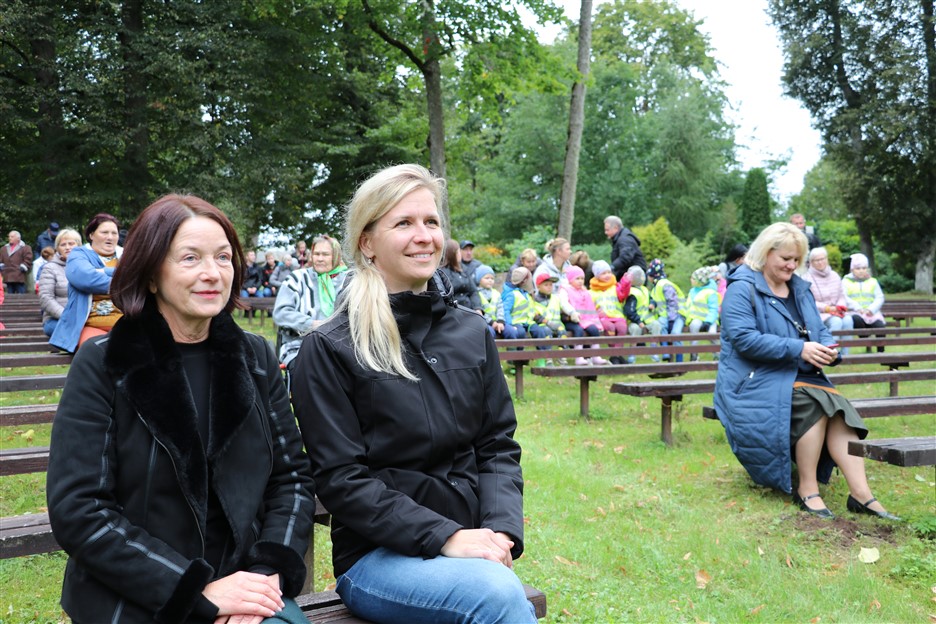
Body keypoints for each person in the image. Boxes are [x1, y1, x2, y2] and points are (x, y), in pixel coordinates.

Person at [46, 194, 317, 624]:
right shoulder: (103, 362)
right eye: (190, 258)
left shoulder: (255, 357)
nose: (212, 273)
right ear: (152, 275)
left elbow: (292, 479)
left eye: (223, 257)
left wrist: (263, 576)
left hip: (247, 587)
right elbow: (80, 510)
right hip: (137, 598)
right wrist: (196, 592)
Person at [290, 164, 535, 624]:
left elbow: (497, 447)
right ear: (367, 242)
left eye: (431, 221)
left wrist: (501, 531)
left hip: (471, 545)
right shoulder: (331, 347)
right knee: (498, 597)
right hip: (377, 557)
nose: (424, 236)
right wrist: (445, 537)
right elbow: (342, 479)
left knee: (496, 592)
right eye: (403, 223)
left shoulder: (471, 331)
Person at [714, 222, 897, 520]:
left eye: (797, 259)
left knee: (839, 410)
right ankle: (807, 489)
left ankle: (862, 495)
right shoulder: (741, 288)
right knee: (816, 405)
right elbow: (744, 340)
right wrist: (799, 348)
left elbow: (819, 330)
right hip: (754, 380)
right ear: (766, 253)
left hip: (800, 376)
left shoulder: (800, 288)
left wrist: (829, 349)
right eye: (786, 258)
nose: (792, 265)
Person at [273, 234, 348, 371]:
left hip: (341, 348)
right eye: (316, 254)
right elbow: (281, 313)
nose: (319, 259)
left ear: (336, 256)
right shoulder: (297, 279)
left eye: (325, 254)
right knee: (311, 371)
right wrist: (311, 324)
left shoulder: (348, 281)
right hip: (298, 346)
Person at [50, 214, 123, 353]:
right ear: (91, 235)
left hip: (127, 325)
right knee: (97, 352)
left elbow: (142, 278)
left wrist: (101, 271)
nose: (110, 237)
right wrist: (124, 279)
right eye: (104, 232)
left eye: (114, 233)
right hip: (90, 326)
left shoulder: (127, 255)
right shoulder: (78, 254)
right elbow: (86, 278)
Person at [561, 265, 609, 366]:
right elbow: (564, 303)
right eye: (577, 278)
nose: (580, 281)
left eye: (582, 278)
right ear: (570, 279)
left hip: (584, 320)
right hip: (569, 320)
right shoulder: (565, 290)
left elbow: (589, 306)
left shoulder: (584, 291)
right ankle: (579, 357)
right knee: (578, 330)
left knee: (594, 330)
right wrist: (572, 313)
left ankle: (596, 356)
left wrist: (597, 313)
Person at [38, 229, 81, 337]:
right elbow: (45, 298)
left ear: (79, 245)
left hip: (83, 319)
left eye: (71, 243)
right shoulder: (49, 268)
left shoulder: (87, 267)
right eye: (63, 244)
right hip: (56, 320)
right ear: (57, 248)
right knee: (77, 334)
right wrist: (67, 315)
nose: (67, 247)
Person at [805, 247, 854, 341]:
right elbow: (808, 300)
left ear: (827, 259)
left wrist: (839, 307)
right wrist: (827, 308)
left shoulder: (835, 275)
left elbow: (841, 295)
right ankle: (831, 348)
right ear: (811, 262)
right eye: (817, 260)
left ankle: (846, 350)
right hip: (819, 314)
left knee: (848, 320)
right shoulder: (806, 277)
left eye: (822, 259)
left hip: (837, 311)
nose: (820, 262)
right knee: (836, 322)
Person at [842, 253, 886, 352]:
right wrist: (857, 307)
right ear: (852, 269)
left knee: (880, 326)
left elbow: (880, 297)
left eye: (864, 268)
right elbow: (844, 297)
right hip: (854, 312)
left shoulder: (873, 281)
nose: (861, 271)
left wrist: (871, 309)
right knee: (856, 320)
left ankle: (881, 352)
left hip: (872, 313)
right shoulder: (845, 281)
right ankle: (866, 340)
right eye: (858, 268)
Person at [646, 258, 685, 362]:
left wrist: (671, 321)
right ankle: (665, 352)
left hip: (677, 315)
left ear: (653, 276)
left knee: (675, 334)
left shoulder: (664, 285)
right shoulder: (656, 287)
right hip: (666, 315)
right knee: (661, 326)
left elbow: (672, 303)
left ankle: (680, 362)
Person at [590, 260, 629, 364]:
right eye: (603, 273)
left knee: (622, 328)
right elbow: (590, 307)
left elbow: (623, 294)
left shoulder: (615, 287)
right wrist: (596, 314)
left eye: (609, 272)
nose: (607, 275)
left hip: (617, 316)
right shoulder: (592, 292)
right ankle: (617, 355)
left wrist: (626, 282)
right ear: (597, 275)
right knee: (610, 328)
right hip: (603, 318)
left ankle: (615, 355)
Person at [683, 266, 720, 362]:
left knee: (712, 334)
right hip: (696, 318)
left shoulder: (711, 292)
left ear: (700, 281)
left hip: (710, 320)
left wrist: (708, 322)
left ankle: (718, 355)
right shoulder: (692, 291)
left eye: (693, 279)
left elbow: (713, 309)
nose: (691, 280)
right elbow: (689, 306)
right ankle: (694, 355)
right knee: (694, 328)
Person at [475, 264, 522, 339]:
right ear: (479, 280)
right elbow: (480, 312)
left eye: (492, 278)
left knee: (511, 331)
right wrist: (492, 322)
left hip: (498, 322)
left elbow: (500, 308)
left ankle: (512, 347)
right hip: (485, 322)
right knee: (489, 333)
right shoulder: (476, 294)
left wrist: (500, 321)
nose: (490, 280)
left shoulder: (496, 293)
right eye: (487, 278)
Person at [503, 266, 549, 341]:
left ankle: (544, 349)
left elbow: (531, 308)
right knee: (520, 333)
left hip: (528, 322)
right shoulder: (512, 294)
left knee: (539, 331)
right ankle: (519, 349)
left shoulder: (526, 293)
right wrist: (509, 324)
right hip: (516, 322)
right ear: (524, 281)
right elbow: (505, 310)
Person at [440, 238, 482, 312]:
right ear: (451, 254)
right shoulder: (442, 272)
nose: (460, 254)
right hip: (453, 311)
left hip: (470, 309)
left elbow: (473, 291)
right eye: (458, 251)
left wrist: (478, 308)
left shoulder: (464, 269)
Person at [622, 265, 654, 364]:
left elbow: (651, 299)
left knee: (656, 325)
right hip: (634, 321)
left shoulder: (645, 289)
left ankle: (654, 350)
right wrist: (638, 321)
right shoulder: (632, 293)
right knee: (635, 329)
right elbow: (629, 311)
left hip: (647, 320)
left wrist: (653, 304)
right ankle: (632, 353)